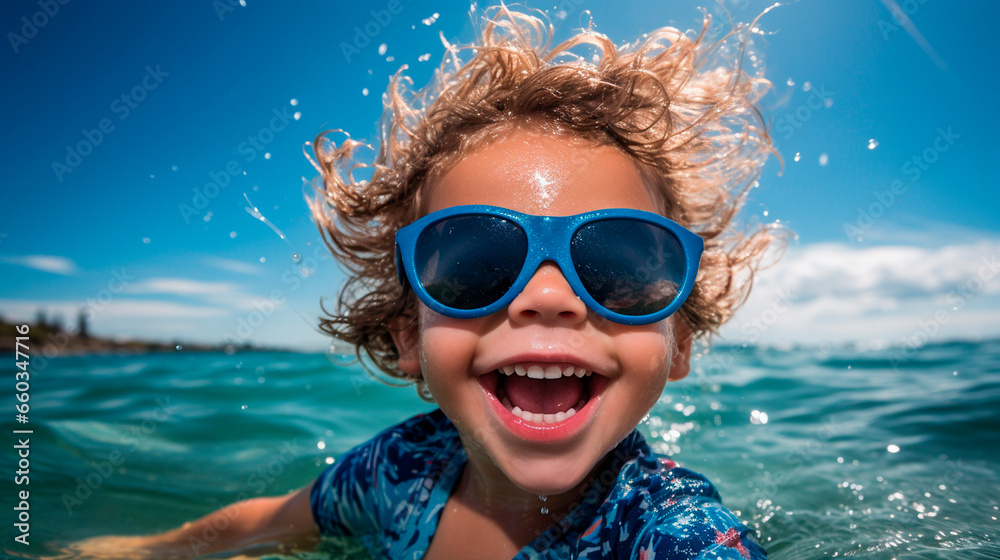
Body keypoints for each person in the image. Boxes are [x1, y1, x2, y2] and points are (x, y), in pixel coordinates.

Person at [70, 5, 783, 559]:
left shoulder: (664, 528)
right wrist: (137, 549)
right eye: (475, 265)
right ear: (409, 335)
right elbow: (269, 521)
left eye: (621, 268)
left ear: (680, 340)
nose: (547, 296)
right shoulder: (400, 470)